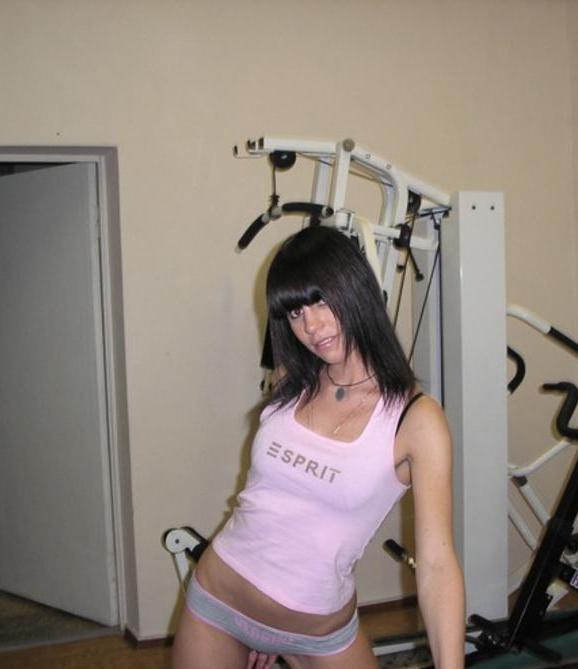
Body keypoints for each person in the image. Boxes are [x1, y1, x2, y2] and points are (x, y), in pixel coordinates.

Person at [172, 225, 465, 669]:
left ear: (357, 291)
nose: (311, 326)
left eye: (322, 301)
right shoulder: (291, 379)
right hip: (218, 606)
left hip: (319, 634)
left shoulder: (417, 420)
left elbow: (437, 564)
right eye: (295, 312)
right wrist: (263, 619)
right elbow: (269, 501)